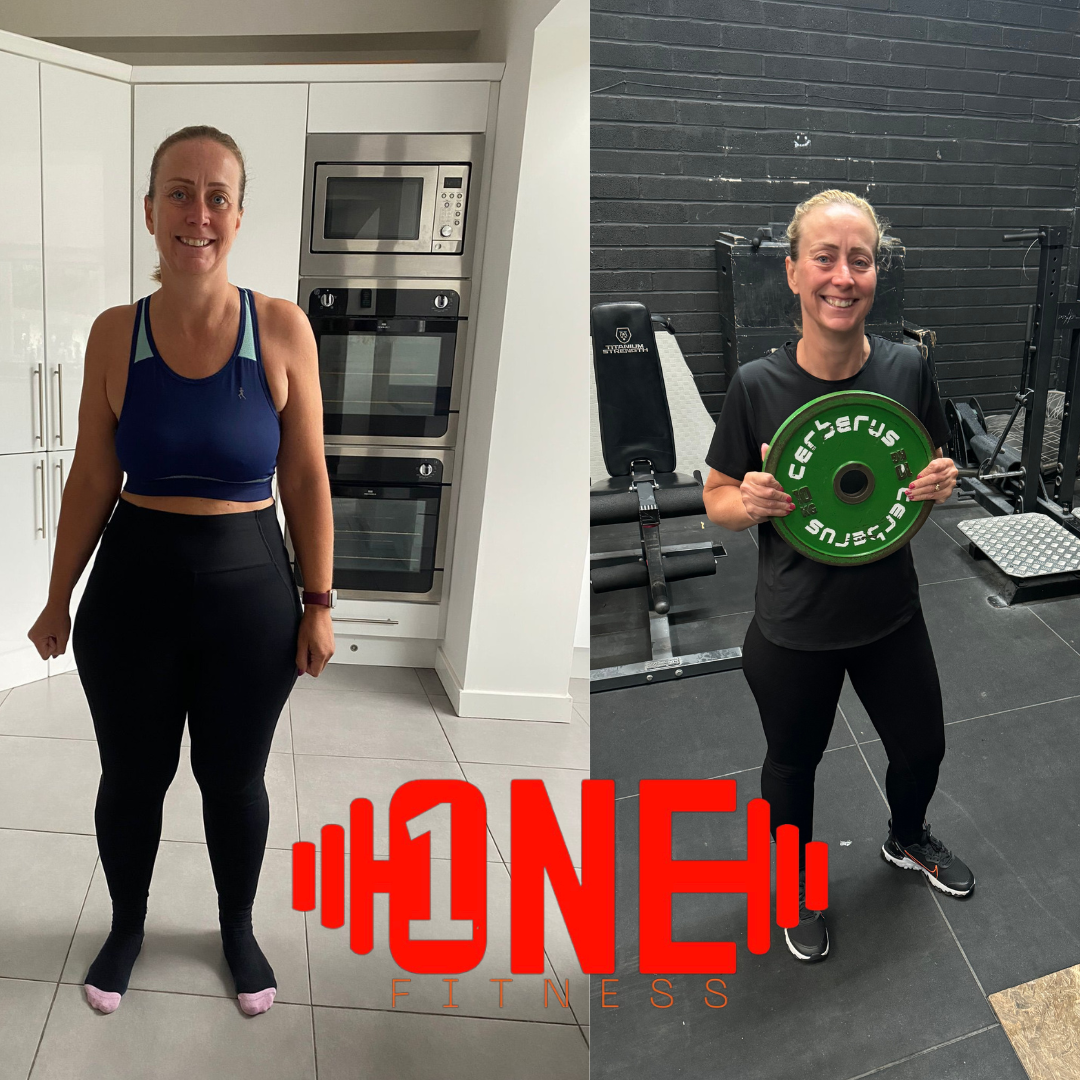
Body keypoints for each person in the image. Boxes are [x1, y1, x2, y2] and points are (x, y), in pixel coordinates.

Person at [26, 125, 334, 1013]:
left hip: (250, 593)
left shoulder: (280, 327)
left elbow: (306, 474)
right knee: (132, 777)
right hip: (134, 588)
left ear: (238, 215)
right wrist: (57, 598)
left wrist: (317, 602)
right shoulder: (114, 334)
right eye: (179, 192)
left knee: (233, 778)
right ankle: (126, 924)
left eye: (217, 196)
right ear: (150, 208)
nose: (197, 213)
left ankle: (236, 929)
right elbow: (93, 473)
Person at [702, 189, 974, 964]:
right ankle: (791, 886)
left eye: (860, 260)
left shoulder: (906, 367)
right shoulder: (756, 386)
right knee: (792, 766)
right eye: (825, 257)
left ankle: (905, 838)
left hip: (891, 612)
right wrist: (745, 502)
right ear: (792, 272)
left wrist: (942, 481)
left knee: (922, 748)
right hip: (795, 626)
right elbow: (715, 497)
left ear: (874, 275)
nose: (842, 276)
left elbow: (931, 463)